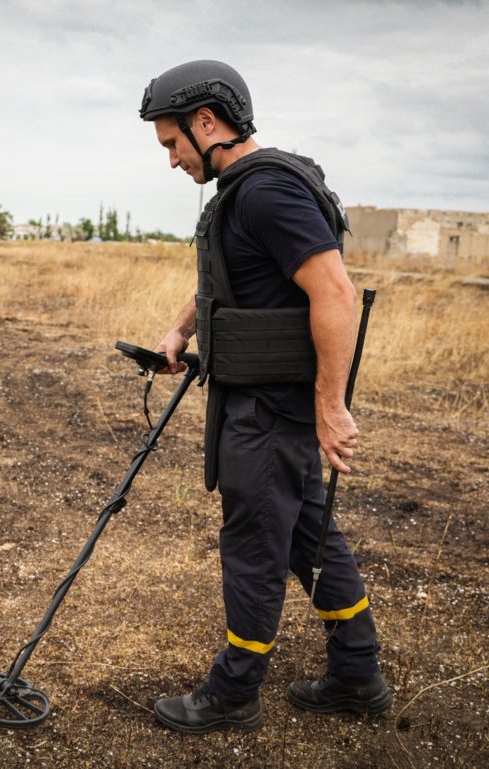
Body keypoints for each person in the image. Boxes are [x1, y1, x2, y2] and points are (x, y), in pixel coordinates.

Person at [139, 60, 392, 734]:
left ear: (206, 122)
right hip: (265, 403)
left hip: (268, 409)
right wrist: (181, 329)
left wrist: (332, 406)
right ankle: (357, 671)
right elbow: (234, 280)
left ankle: (234, 691)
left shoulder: (265, 193)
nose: (169, 160)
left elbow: (335, 293)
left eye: (171, 143)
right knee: (309, 534)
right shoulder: (245, 191)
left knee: (253, 544)